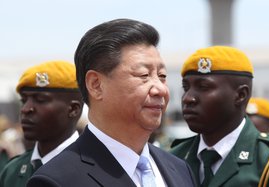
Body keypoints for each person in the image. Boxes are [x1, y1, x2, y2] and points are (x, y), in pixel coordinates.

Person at [27, 18, 196, 187]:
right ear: (96, 85)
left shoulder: (180, 169)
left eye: (162, 76)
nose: (160, 89)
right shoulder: (56, 180)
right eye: (144, 75)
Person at [170, 46, 269, 187]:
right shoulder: (174, 157)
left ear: (240, 95)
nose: (188, 98)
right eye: (186, 88)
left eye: (203, 87)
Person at [0, 60, 83, 187]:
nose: (25, 109)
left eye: (40, 100)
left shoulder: (97, 169)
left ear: (73, 109)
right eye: (24, 100)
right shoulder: (12, 170)